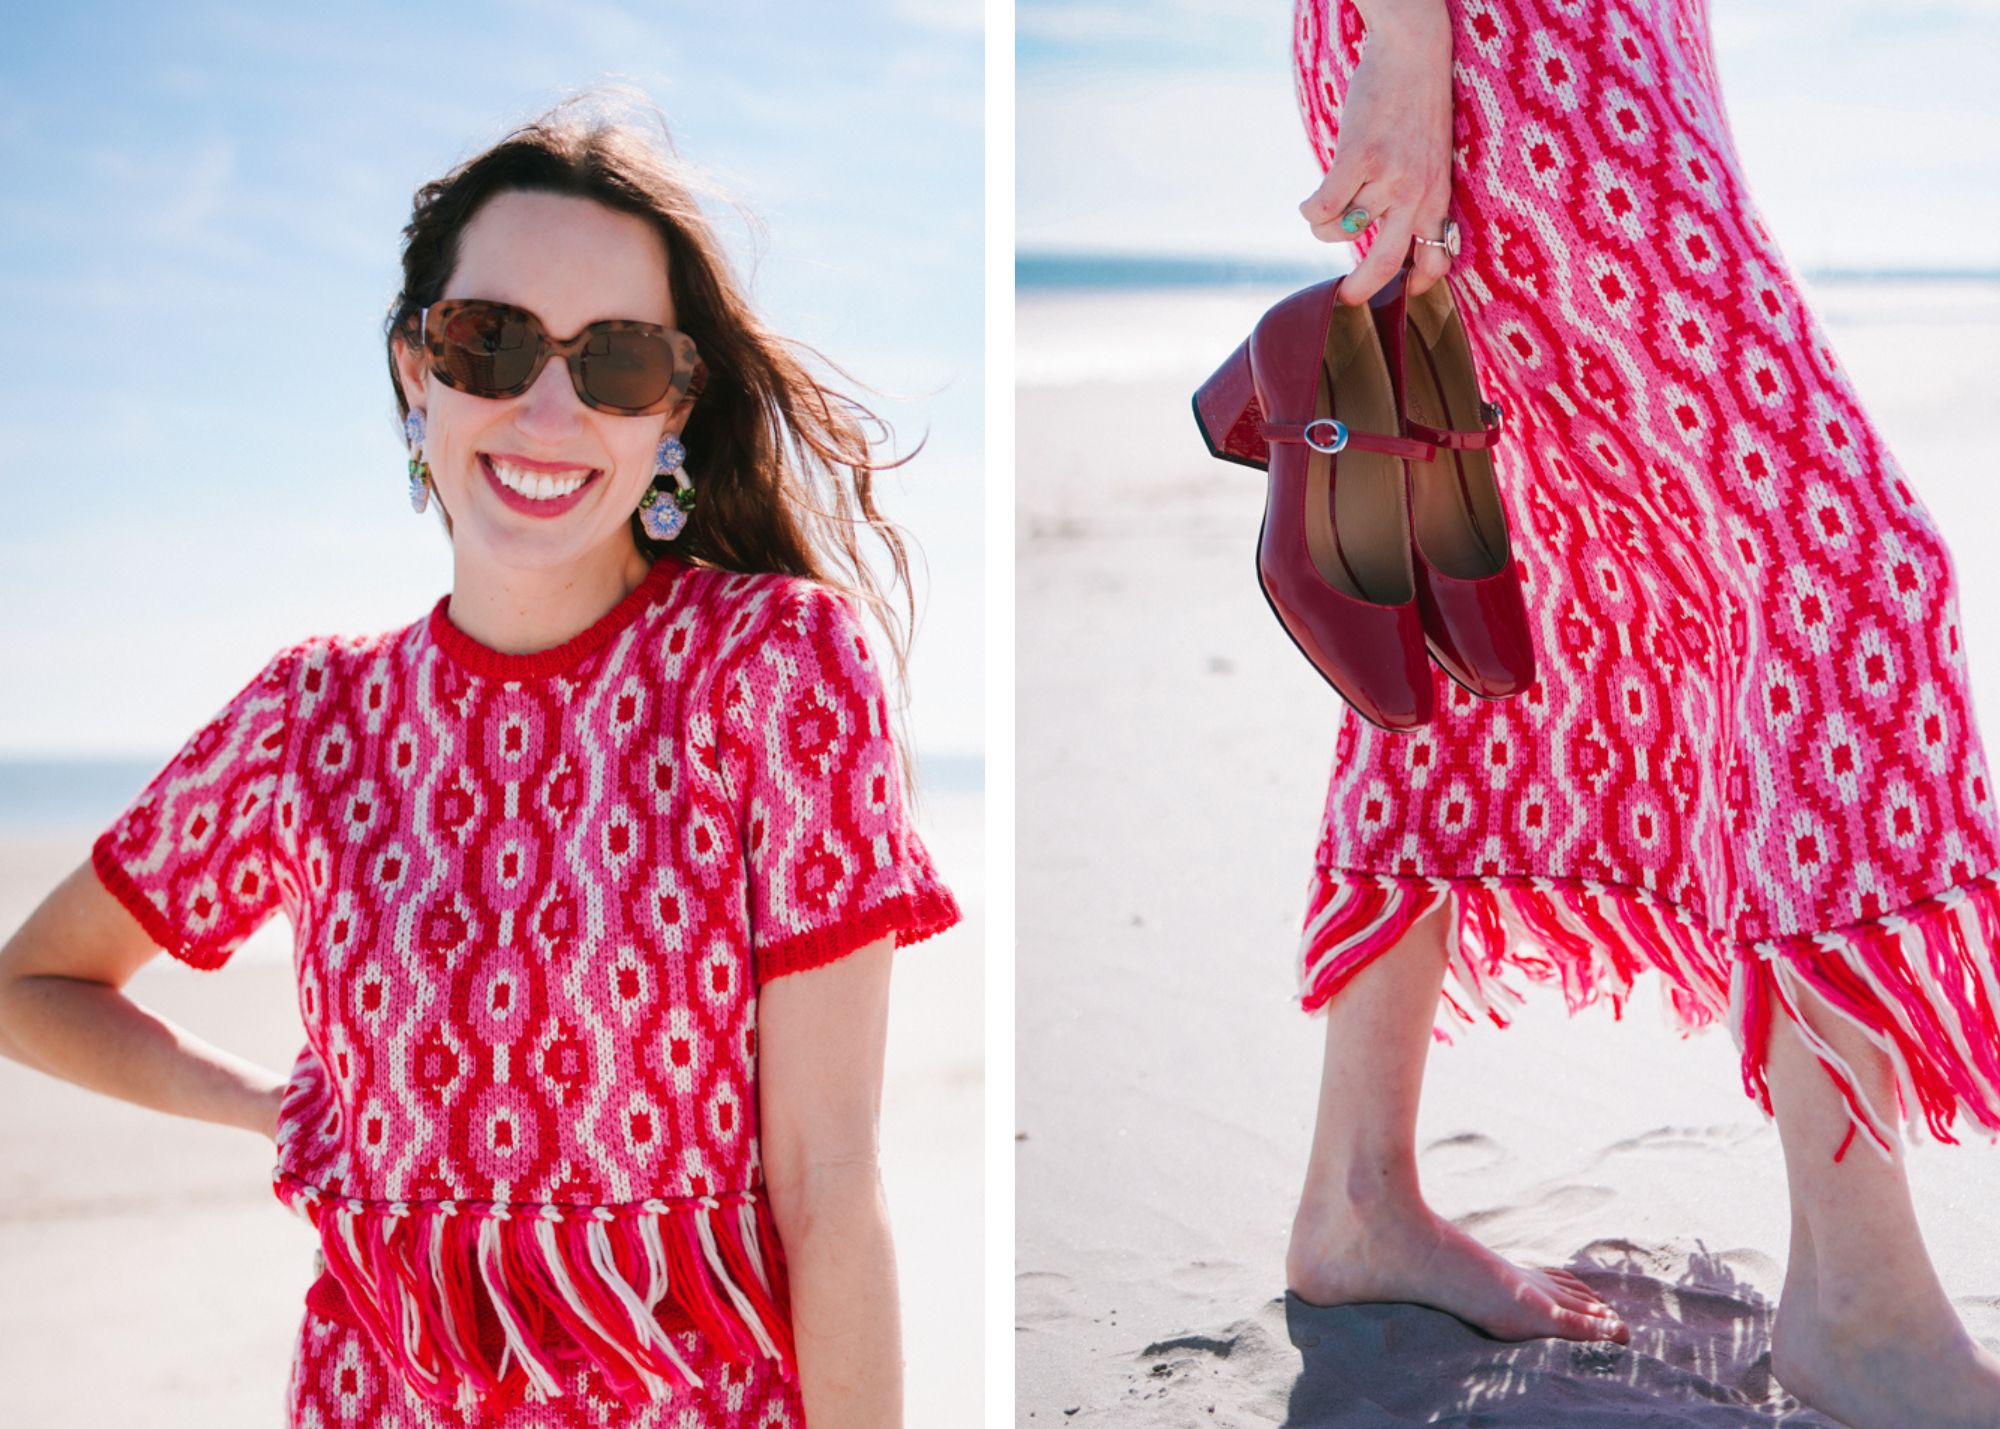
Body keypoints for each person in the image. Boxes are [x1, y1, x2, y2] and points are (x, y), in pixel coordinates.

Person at [0, 87, 961, 1429]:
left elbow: (831, 1189)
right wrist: (269, 1105)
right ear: (416, 368)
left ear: (672, 406)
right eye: (490, 341)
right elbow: (32, 985)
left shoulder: (776, 672)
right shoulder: (307, 722)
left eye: (616, 361)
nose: (551, 407)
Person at [1278, 1, 2000, 1424]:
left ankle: (1360, 1190)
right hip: (1505, 36)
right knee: (1845, 561)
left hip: (1599, 33)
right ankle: (1859, 1300)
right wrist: (1416, 39)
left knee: (1491, 560)